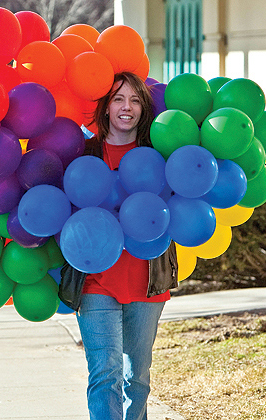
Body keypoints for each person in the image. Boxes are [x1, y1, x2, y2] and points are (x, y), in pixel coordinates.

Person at [71, 72, 178, 420]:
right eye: (118, 99)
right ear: (105, 107)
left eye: (134, 100)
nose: (126, 107)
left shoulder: (162, 152)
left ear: (143, 109)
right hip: (95, 278)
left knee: (138, 380)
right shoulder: (82, 151)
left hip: (146, 277)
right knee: (105, 374)